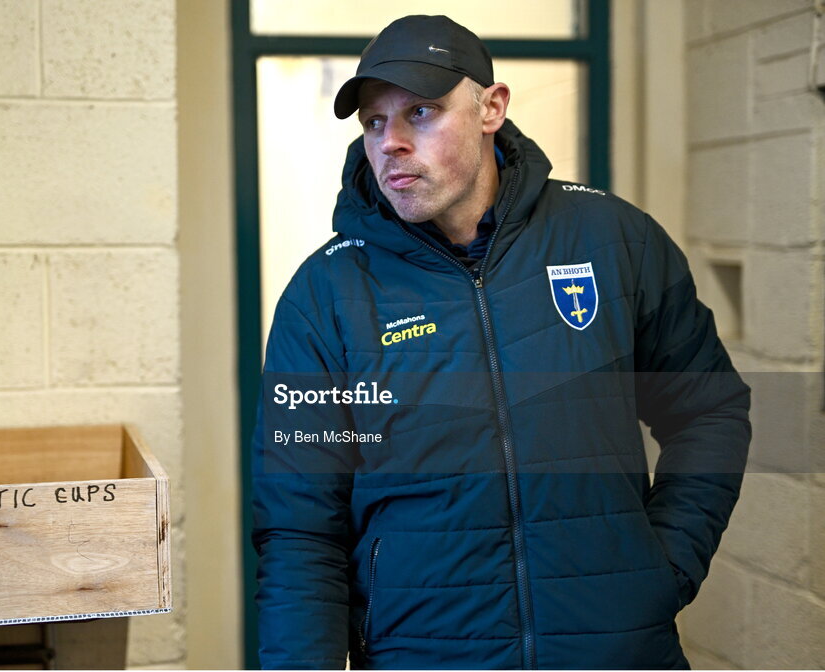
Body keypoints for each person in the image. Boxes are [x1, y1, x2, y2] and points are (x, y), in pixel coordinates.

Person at [251, 14, 750, 670]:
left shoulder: (612, 241)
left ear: (491, 107)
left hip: (616, 650)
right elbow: (298, 530)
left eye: (420, 113)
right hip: (423, 654)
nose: (390, 143)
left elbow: (707, 410)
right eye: (374, 122)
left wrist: (662, 568)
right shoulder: (326, 294)